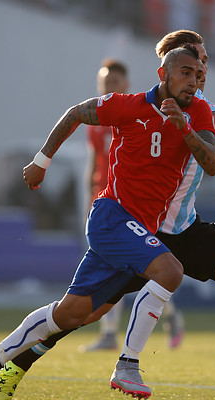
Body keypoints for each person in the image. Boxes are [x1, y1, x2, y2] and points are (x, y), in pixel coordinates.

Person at [0, 29, 215, 400]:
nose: (202, 67)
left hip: (183, 226)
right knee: (84, 313)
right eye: (194, 61)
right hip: (145, 229)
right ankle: (17, 363)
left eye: (204, 61)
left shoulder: (198, 105)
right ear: (168, 68)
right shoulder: (159, 106)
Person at [0, 44, 215, 400]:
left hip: (138, 229)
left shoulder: (199, 113)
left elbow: (212, 164)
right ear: (163, 74)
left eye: (198, 75)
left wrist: (187, 131)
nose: (193, 82)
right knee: (170, 270)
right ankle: (128, 363)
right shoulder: (128, 106)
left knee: (75, 314)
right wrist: (42, 160)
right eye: (185, 73)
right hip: (112, 217)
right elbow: (75, 113)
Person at [81, 58, 185, 353]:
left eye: (113, 83)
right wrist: (92, 192)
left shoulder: (138, 114)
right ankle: (110, 333)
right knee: (117, 268)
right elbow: (94, 162)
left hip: (131, 206)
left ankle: (169, 313)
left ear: (125, 85)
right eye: (104, 83)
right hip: (105, 203)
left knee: (141, 269)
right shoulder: (98, 121)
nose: (108, 88)